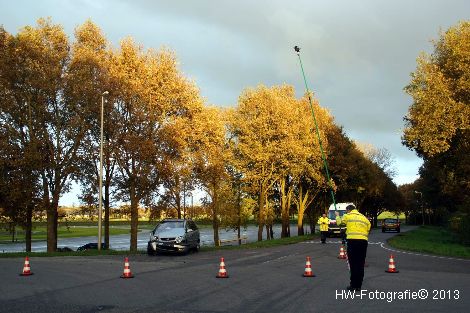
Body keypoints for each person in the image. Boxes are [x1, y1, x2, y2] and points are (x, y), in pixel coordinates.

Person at [335, 204, 371, 291]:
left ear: (348, 210)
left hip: (352, 241)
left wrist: (337, 216)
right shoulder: (363, 217)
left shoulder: (347, 215)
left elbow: (339, 223)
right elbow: (369, 227)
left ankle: (353, 285)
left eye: (346, 211)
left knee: (353, 263)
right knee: (360, 263)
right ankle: (358, 285)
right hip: (363, 242)